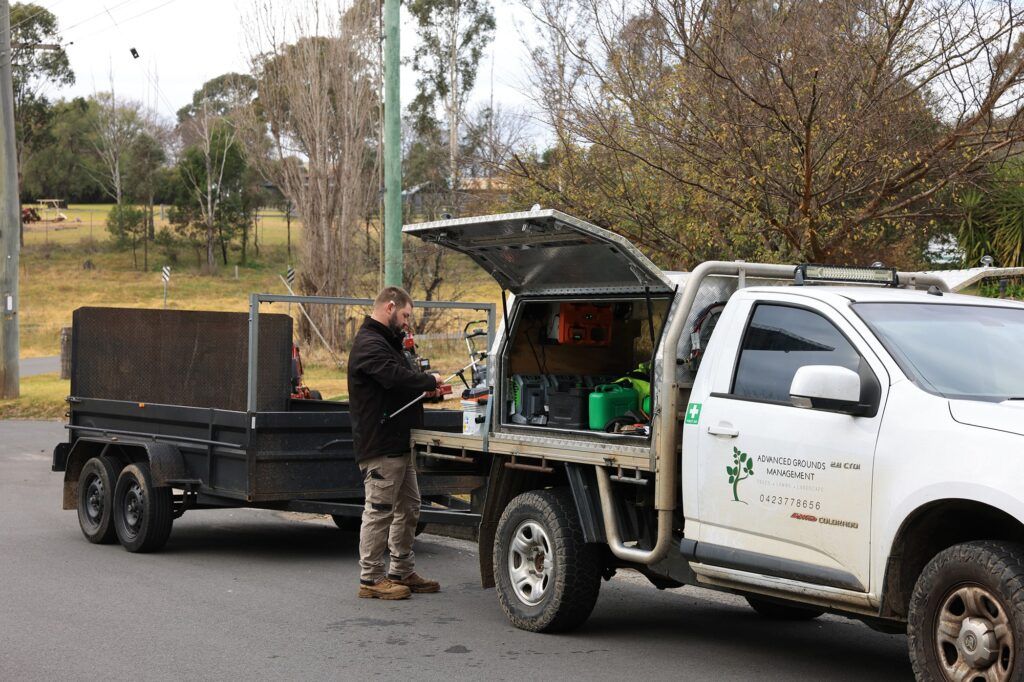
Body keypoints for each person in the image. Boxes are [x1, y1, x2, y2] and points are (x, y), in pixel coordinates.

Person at [348, 286, 444, 600]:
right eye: (405, 315)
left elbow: (402, 380)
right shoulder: (369, 343)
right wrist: (428, 381)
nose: (406, 322)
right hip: (381, 444)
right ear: (390, 307)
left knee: (410, 507)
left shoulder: (389, 342)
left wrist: (427, 387)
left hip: (400, 443)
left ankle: (401, 570)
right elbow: (393, 377)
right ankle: (371, 579)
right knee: (379, 511)